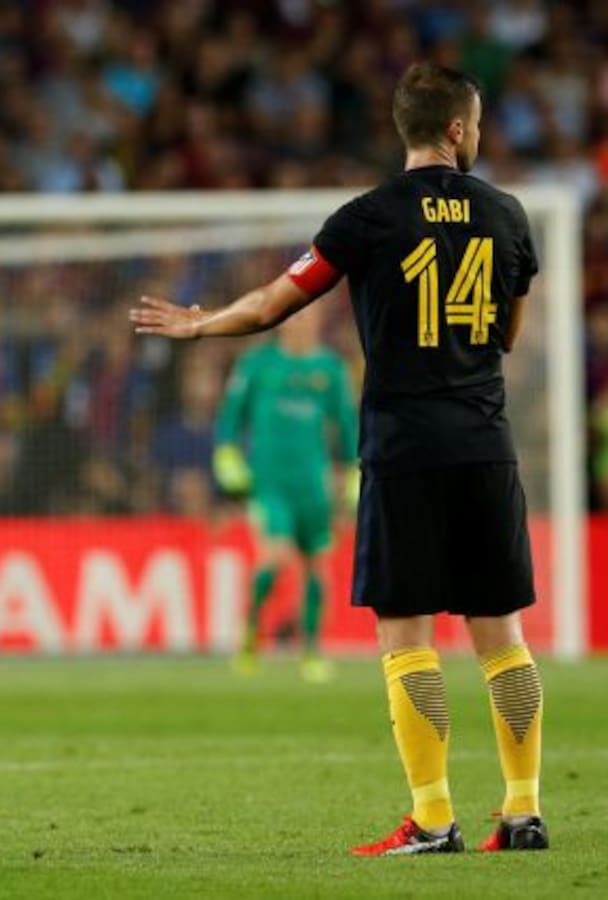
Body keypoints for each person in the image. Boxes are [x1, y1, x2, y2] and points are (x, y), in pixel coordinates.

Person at [129, 61, 546, 856]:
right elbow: (508, 334)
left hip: (405, 448)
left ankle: (433, 819)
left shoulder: (367, 217)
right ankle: (523, 812)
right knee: (502, 636)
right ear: (457, 128)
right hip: (485, 446)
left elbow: (273, 304)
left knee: (409, 634)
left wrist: (201, 324)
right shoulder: (508, 214)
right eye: (478, 124)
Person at [214, 303, 358, 682]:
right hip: (269, 483)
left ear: (318, 320)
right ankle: (251, 633)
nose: (300, 321)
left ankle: (311, 651)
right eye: (293, 315)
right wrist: (227, 454)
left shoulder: (330, 369)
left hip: (313, 484)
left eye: (307, 315)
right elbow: (231, 416)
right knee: (275, 556)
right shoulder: (257, 364)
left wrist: (353, 471)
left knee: (316, 565)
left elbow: (346, 425)